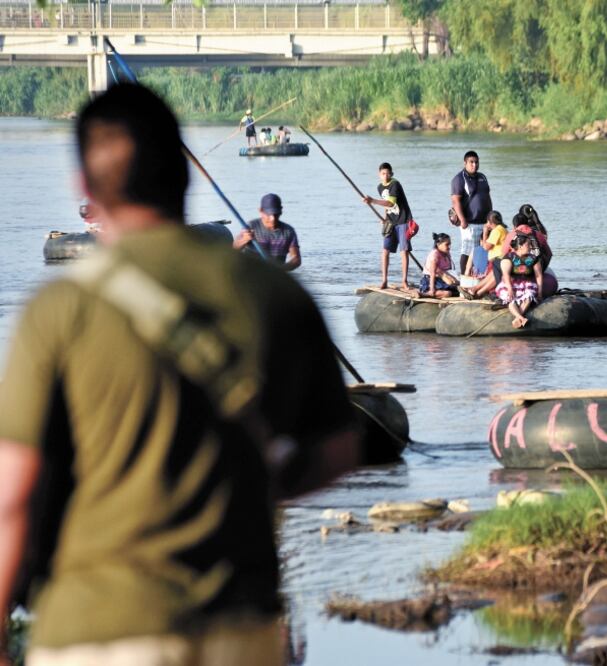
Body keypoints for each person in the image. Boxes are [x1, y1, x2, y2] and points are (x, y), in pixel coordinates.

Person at [0, 83, 359, 666]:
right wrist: (249, 484)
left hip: (94, 629)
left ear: (86, 191)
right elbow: (339, 451)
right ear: (184, 177)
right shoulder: (275, 295)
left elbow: (13, 495)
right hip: (237, 627)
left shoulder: (59, 311)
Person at [363, 162, 413, 290]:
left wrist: (372, 201)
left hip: (403, 220)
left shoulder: (395, 184)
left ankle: (404, 281)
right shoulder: (380, 187)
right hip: (390, 222)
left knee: (404, 251)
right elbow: (386, 206)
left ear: (392, 174)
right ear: (379, 175)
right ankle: (384, 280)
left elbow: (390, 203)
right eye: (383, 174)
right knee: (385, 251)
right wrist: (385, 218)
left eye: (388, 173)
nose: (386, 176)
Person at [450, 150, 492, 276]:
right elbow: (455, 200)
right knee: (468, 251)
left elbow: (488, 197)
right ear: (465, 163)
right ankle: (464, 278)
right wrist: (462, 220)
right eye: (471, 162)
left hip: (485, 222)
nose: (474, 165)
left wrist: (491, 218)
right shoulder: (459, 179)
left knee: (483, 250)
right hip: (470, 223)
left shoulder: (482, 177)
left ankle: (478, 277)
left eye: (476, 162)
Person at [234, 193, 302, 271]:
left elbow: (296, 259)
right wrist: (244, 240)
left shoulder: (288, 231)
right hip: (250, 274)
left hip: (274, 275)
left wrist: (282, 269)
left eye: (275, 214)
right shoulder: (251, 226)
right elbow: (233, 250)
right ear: (261, 211)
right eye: (269, 214)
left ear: (281, 211)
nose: (272, 218)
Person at [497, 233, 544, 328]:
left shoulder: (533, 258)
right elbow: (506, 275)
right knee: (510, 299)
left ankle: (518, 319)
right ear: (520, 246)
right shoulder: (509, 257)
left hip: (526, 283)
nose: (530, 247)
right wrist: (510, 289)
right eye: (528, 245)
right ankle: (521, 318)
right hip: (511, 283)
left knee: (529, 297)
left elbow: (538, 275)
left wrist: (539, 292)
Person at [420, 233, 459, 299]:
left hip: (441, 279)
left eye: (450, 244)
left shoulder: (447, 253)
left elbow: (448, 270)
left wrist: (454, 279)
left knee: (458, 290)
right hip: (430, 280)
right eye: (447, 244)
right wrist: (432, 289)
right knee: (448, 293)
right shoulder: (435, 254)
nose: (449, 247)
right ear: (438, 244)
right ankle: (425, 294)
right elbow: (432, 273)